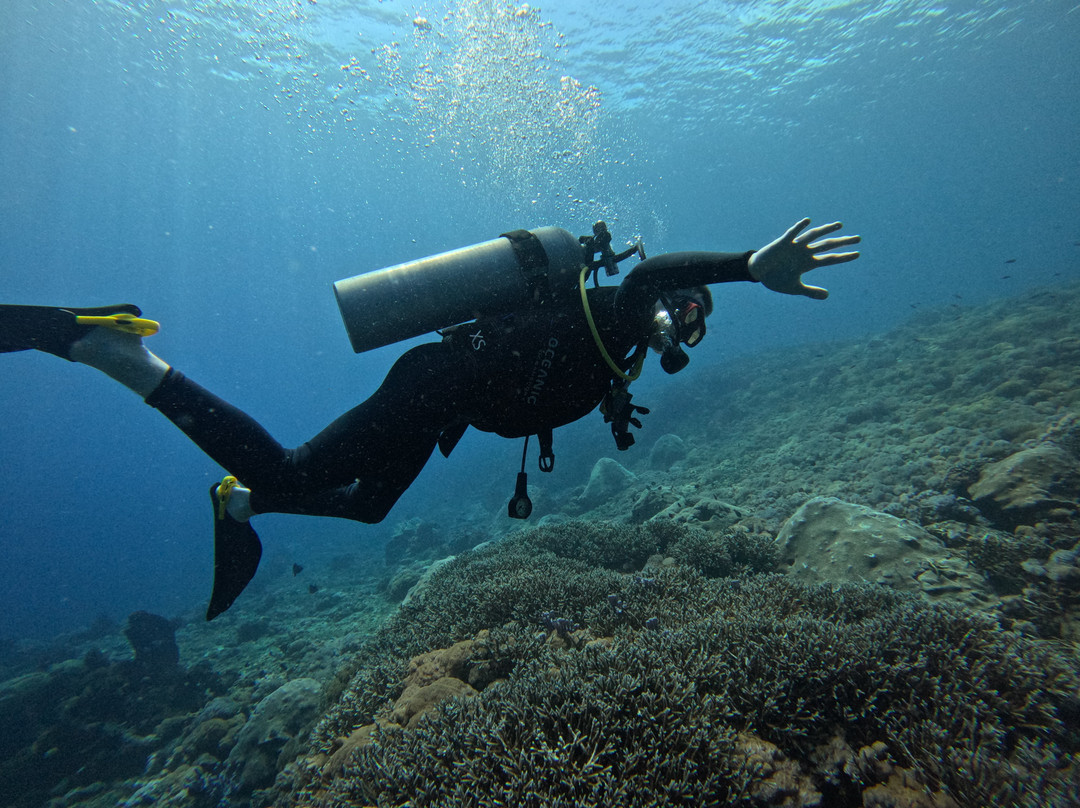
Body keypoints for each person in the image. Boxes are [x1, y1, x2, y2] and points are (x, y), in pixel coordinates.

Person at [2, 217, 860, 619]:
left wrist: (613, 396)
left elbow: (561, 388)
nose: (687, 323)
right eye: (690, 306)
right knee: (300, 468)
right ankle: (117, 354)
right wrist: (746, 265)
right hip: (436, 384)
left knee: (369, 504)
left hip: (451, 402)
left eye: (700, 322)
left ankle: (243, 505)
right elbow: (652, 275)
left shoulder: (618, 352)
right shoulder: (627, 300)